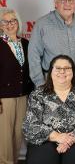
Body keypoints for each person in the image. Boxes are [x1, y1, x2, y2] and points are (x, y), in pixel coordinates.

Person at [23, 55, 75, 164]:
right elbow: (30, 126)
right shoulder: (38, 94)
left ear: (73, 71)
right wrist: (57, 137)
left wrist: (69, 139)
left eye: (67, 68)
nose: (62, 71)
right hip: (46, 140)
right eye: (58, 68)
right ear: (51, 71)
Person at [28, 0, 75, 87]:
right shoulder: (42, 24)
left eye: (71, 1)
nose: (68, 4)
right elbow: (33, 56)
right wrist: (40, 84)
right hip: (51, 82)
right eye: (63, 0)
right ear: (55, 2)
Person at [0, 9, 33, 164]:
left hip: (23, 96)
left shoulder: (26, 43)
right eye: (5, 21)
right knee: (4, 139)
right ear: (1, 25)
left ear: (18, 22)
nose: (9, 24)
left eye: (13, 20)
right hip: (4, 98)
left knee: (17, 136)